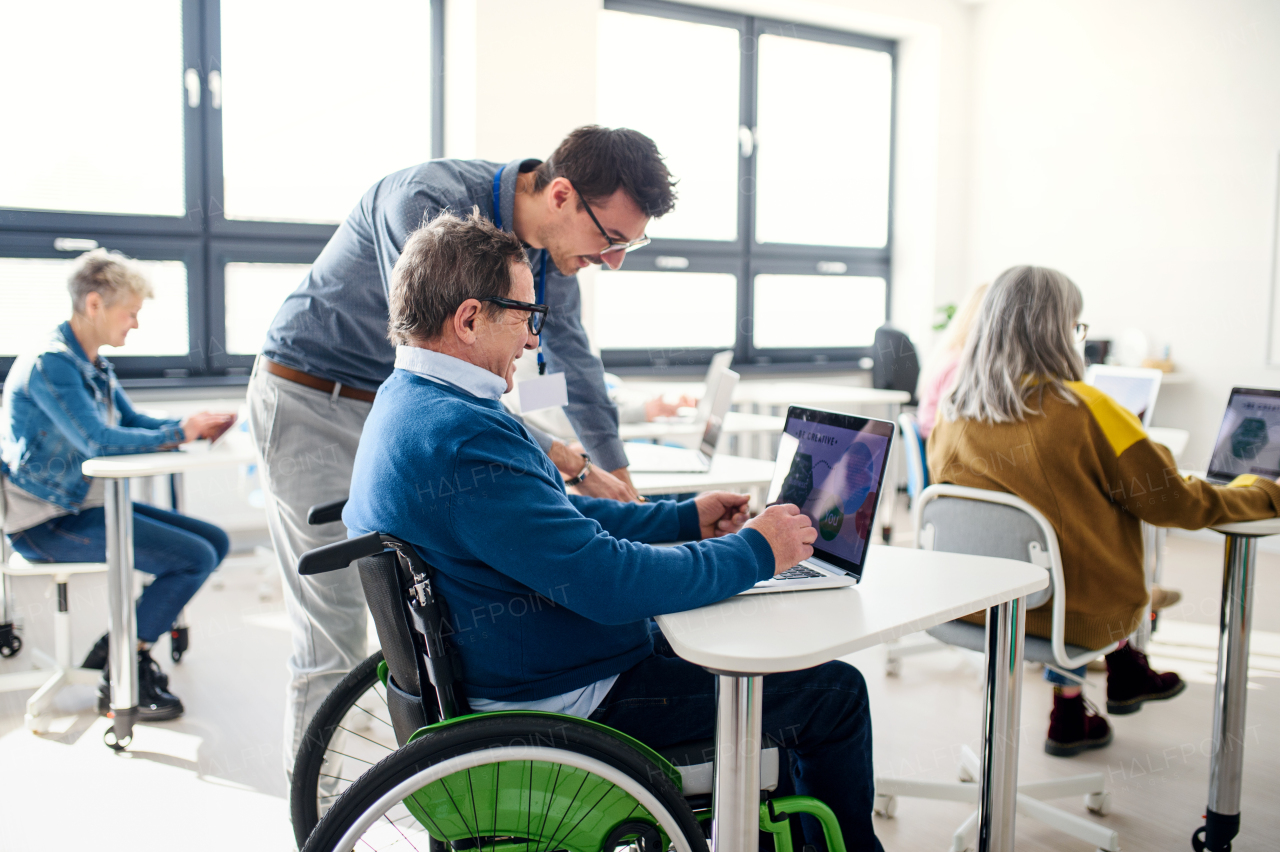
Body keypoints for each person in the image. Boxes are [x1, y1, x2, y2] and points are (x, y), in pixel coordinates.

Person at [343, 210, 884, 852]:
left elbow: (559, 524)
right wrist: (756, 550)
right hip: (563, 706)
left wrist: (684, 516)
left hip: (523, 673)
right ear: (468, 318)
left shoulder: (410, 404)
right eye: (523, 316)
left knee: (735, 644)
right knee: (834, 692)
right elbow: (608, 582)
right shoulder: (462, 436)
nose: (529, 342)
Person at [248, 126, 679, 770]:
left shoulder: (548, 258)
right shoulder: (432, 206)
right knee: (333, 630)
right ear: (562, 195)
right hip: (311, 394)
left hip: (384, 403)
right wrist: (568, 460)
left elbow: (565, 368)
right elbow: (438, 374)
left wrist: (611, 469)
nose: (613, 260)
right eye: (611, 240)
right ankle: (317, 822)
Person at [928, 265, 1280, 756]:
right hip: (1072, 617)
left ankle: (1084, 699)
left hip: (972, 607)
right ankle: (1118, 672)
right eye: (1077, 325)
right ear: (1057, 331)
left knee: (1065, 532)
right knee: (1087, 556)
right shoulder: (1088, 408)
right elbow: (1175, 502)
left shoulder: (952, 410)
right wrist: (1262, 492)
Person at [1, 249, 233, 720]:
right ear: (94, 305)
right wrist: (178, 433)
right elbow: (98, 442)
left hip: (82, 508)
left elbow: (133, 421)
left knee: (215, 540)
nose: (135, 325)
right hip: (45, 523)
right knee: (193, 557)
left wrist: (190, 425)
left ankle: (118, 647)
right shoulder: (53, 365)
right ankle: (124, 662)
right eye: (131, 314)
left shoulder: (93, 366)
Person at [915, 283, 987, 438]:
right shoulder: (958, 365)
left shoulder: (949, 351)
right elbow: (951, 423)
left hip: (937, 438)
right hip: (939, 443)